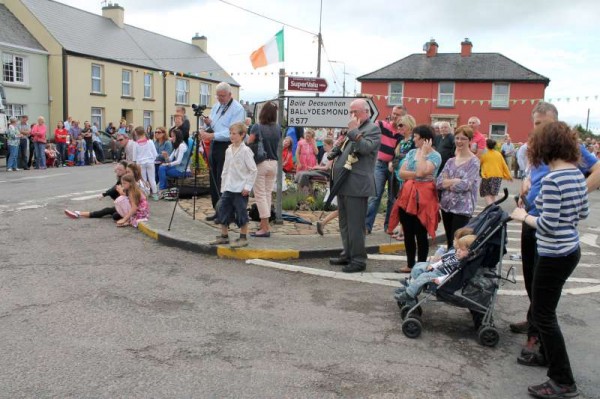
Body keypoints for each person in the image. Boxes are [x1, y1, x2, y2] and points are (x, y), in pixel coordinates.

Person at [509, 101, 600, 363]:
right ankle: (533, 318)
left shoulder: (566, 148)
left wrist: (577, 191)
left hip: (546, 227)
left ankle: (538, 333)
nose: (539, 130)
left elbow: (597, 170)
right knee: (531, 279)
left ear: (556, 124)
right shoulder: (532, 150)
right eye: (536, 124)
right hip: (532, 221)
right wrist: (525, 187)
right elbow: (530, 175)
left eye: (544, 124)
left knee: (543, 284)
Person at [328, 99, 381, 273]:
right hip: (344, 182)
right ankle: (348, 253)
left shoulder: (372, 129)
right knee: (344, 222)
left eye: (355, 112)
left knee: (356, 225)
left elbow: (365, 148)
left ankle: (358, 259)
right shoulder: (354, 129)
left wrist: (353, 131)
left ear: (366, 112)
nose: (352, 115)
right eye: (350, 112)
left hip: (357, 184)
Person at [388, 125, 442, 273]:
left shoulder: (435, 156)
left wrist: (423, 155)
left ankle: (421, 266)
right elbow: (401, 173)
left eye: (416, 137)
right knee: (408, 231)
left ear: (425, 139)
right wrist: (417, 175)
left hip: (424, 198)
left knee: (420, 232)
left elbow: (420, 171)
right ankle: (410, 264)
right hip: (407, 195)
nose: (413, 139)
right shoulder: (412, 152)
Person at [200, 82, 246, 220]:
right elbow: (216, 125)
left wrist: (212, 135)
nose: (220, 99)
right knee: (213, 178)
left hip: (227, 145)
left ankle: (226, 212)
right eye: (218, 96)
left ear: (230, 94)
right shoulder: (216, 106)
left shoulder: (237, 109)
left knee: (223, 179)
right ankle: (217, 210)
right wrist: (209, 124)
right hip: (215, 145)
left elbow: (233, 131)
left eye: (223, 96)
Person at [209, 122, 257, 248]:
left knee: (241, 212)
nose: (232, 136)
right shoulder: (228, 150)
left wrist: (247, 187)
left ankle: (243, 237)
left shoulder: (246, 151)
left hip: (240, 188)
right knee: (223, 210)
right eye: (230, 133)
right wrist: (223, 186)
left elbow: (253, 170)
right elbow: (226, 169)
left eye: (234, 134)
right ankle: (224, 236)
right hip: (229, 187)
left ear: (242, 135)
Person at [394, 234, 476, 303]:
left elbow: (452, 275)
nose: (458, 251)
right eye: (458, 248)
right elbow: (443, 261)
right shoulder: (457, 256)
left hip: (442, 276)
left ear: (470, 251)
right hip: (438, 270)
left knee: (423, 276)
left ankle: (409, 294)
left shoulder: (461, 263)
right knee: (420, 268)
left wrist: (440, 279)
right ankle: (411, 287)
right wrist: (433, 266)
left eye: (461, 249)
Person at [436, 125, 481, 249]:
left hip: (462, 208)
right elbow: (439, 182)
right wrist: (455, 181)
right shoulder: (450, 161)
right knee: (450, 242)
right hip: (446, 206)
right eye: (457, 138)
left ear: (470, 141)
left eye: (463, 139)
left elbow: (465, 185)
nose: (459, 141)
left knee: (458, 243)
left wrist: (448, 182)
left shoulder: (474, 162)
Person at [365, 106, 405, 234]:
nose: (395, 116)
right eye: (394, 113)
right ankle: (367, 226)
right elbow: (370, 135)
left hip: (395, 166)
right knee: (375, 195)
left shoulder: (402, 133)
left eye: (398, 115)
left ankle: (389, 226)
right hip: (380, 164)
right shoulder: (381, 124)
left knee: (392, 198)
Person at [247, 101, 280, 238]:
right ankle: (263, 224)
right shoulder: (278, 128)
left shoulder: (257, 127)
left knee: (260, 195)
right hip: (274, 163)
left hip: (261, 163)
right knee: (267, 194)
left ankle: (265, 228)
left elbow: (249, 142)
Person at [64, 161, 129, 220]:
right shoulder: (122, 177)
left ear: (126, 170)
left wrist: (104, 194)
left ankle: (78, 213)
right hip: (126, 203)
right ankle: (78, 213)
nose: (118, 171)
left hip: (129, 205)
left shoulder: (126, 179)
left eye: (120, 170)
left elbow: (116, 189)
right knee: (112, 212)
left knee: (110, 212)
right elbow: (115, 187)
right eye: (117, 169)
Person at [479, 139, 512, 204]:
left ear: (486, 145)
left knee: (487, 194)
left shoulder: (484, 154)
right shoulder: (498, 154)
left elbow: (478, 163)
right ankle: (495, 208)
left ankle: (491, 208)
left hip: (487, 176)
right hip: (497, 176)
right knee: (494, 194)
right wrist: (509, 176)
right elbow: (504, 165)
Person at [133, 126, 158, 200]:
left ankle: (144, 195)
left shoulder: (136, 143)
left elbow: (134, 156)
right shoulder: (150, 141)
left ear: (136, 134)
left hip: (140, 163)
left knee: (143, 179)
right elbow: (155, 154)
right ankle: (155, 194)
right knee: (152, 179)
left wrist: (136, 163)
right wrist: (152, 159)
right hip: (150, 162)